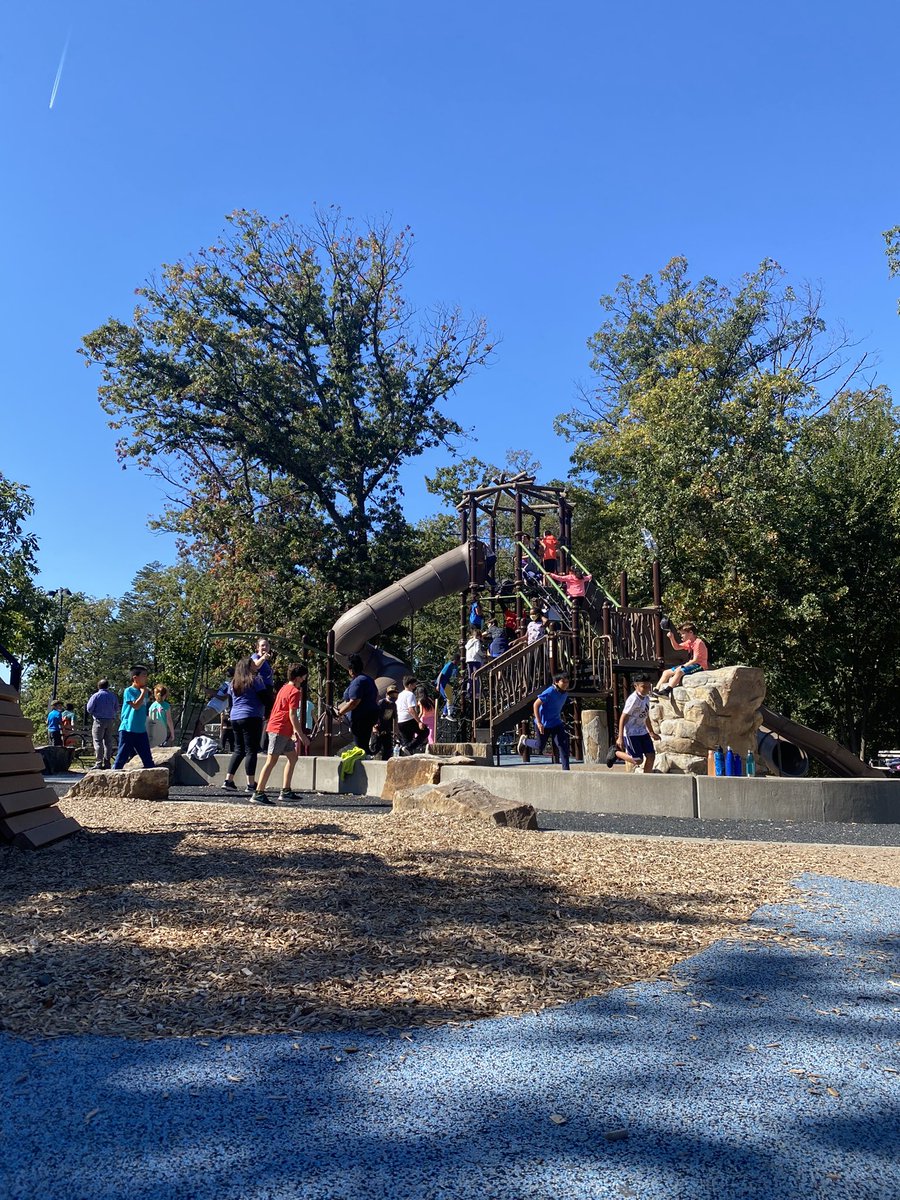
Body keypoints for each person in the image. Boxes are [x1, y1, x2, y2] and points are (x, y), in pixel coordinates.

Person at [252, 663, 310, 804]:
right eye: (303, 677)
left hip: (283, 730)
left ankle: (286, 790)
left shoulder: (284, 688)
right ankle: (258, 792)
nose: (304, 679)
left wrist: (293, 731)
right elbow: (292, 715)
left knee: (292, 758)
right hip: (279, 730)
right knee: (271, 761)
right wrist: (301, 735)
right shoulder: (295, 692)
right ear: (297, 678)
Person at [223, 656, 268, 793]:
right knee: (251, 750)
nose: (256, 666)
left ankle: (228, 780)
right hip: (252, 716)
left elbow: (230, 702)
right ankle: (250, 784)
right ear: (248, 667)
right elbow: (265, 698)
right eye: (253, 664)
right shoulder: (256, 680)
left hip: (235, 717)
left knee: (238, 749)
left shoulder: (232, 683)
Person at [518, 671, 571, 770]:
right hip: (543, 724)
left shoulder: (565, 693)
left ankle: (566, 771)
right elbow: (536, 704)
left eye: (567, 682)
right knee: (539, 746)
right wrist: (539, 722)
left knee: (562, 745)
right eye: (563, 682)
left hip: (556, 723)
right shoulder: (549, 691)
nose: (565, 684)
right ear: (556, 682)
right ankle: (524, 741)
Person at [608, 674, 659, 772]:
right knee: (638, 760)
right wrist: (620, 737)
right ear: (636, 686)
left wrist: (651, 732)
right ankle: (616, 753)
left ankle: (647, 779)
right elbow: (623, 717)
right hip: (632, 733)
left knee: (651, 756)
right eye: (643, 687)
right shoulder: (633, 699)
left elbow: (646, 716)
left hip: (642, 731)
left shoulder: (646, 698)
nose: (646, 689)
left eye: (648, 687)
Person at [112, 664, 155, 770]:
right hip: (128, 729)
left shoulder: (144, 692)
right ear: (135, 678)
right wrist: (143, 693)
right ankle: (113, 775)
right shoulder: (129, 691)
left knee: (148, 759)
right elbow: (135, 706)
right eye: (144, 675)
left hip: (141, 730)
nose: (146, 678)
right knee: (122, 757)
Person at [336, 653, 380, 753]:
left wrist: (340, 713)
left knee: (360, 746)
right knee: (363, 744)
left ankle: (363, 765)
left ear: (351, 670)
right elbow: (376, 696)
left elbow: (354, 702)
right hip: (370, 715)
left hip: (361, 717)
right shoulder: (368, 679)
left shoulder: (358, 681)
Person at [655, 622, 709, 696]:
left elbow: (695, 660)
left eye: (683, 633)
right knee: (666, 673)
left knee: (680, 671)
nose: (681, 636)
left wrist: (683, 666)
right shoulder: (689, 642)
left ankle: (667, 691)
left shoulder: (698, 643)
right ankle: (656, 690)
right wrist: (672, 638)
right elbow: (677, 647)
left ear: (690, 632)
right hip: (691, 664)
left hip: (699, 666)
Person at [86, 678, 119, 769]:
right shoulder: (113, 696)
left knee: (97, 741)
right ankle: (107, 762)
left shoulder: (95, 696)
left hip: (99, 720)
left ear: (98, 686)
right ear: (108, 686)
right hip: (110, 721)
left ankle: (99, 763)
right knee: (108, 742)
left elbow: (89, 708)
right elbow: (116, 708)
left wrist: (95, 713)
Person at [252, 637, 276, 747]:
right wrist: (263, 658)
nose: (265, 647)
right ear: (257, 647)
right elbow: (255, 666)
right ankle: (261, 744)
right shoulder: (256, 657)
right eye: (262, 645)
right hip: (262, 688)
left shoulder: (266, 661)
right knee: (266, 714)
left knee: (268, 715)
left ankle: (264, 744)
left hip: (268, 688)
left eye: (266, 645)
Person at [396, 676, 428, 753]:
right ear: (410, 685)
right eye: (414, 684)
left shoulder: (400, 694)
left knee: (407, 741)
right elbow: (411, 710)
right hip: (408, 719)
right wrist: (419, 722)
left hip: (400, 721)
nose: (415, 686)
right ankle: (409, 747)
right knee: (425, 731)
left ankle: (406, 750)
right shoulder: (410, 694)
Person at [373, 684, 399, 760]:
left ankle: (385, 762)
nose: (393, 696)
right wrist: (374, 727)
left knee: (388, 749)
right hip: (378, 729)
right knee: (376, 748)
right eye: (391, 694)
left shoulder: (393, 705)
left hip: (387, 729)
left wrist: (395, 731)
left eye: (395, 694)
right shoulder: (381, 703)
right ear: (387, 694)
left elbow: (395, 718)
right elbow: (374, 715)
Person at [464, 629, 485, 696]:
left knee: (470, 676)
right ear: (479, 636)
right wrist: (483, 655)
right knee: (476, 675)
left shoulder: (469, 641)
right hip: (476, 660)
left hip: (469, 660)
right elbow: (477, 650)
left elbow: (466, 647)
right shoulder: (477, 641)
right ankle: (477, 692)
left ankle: (469, 691)